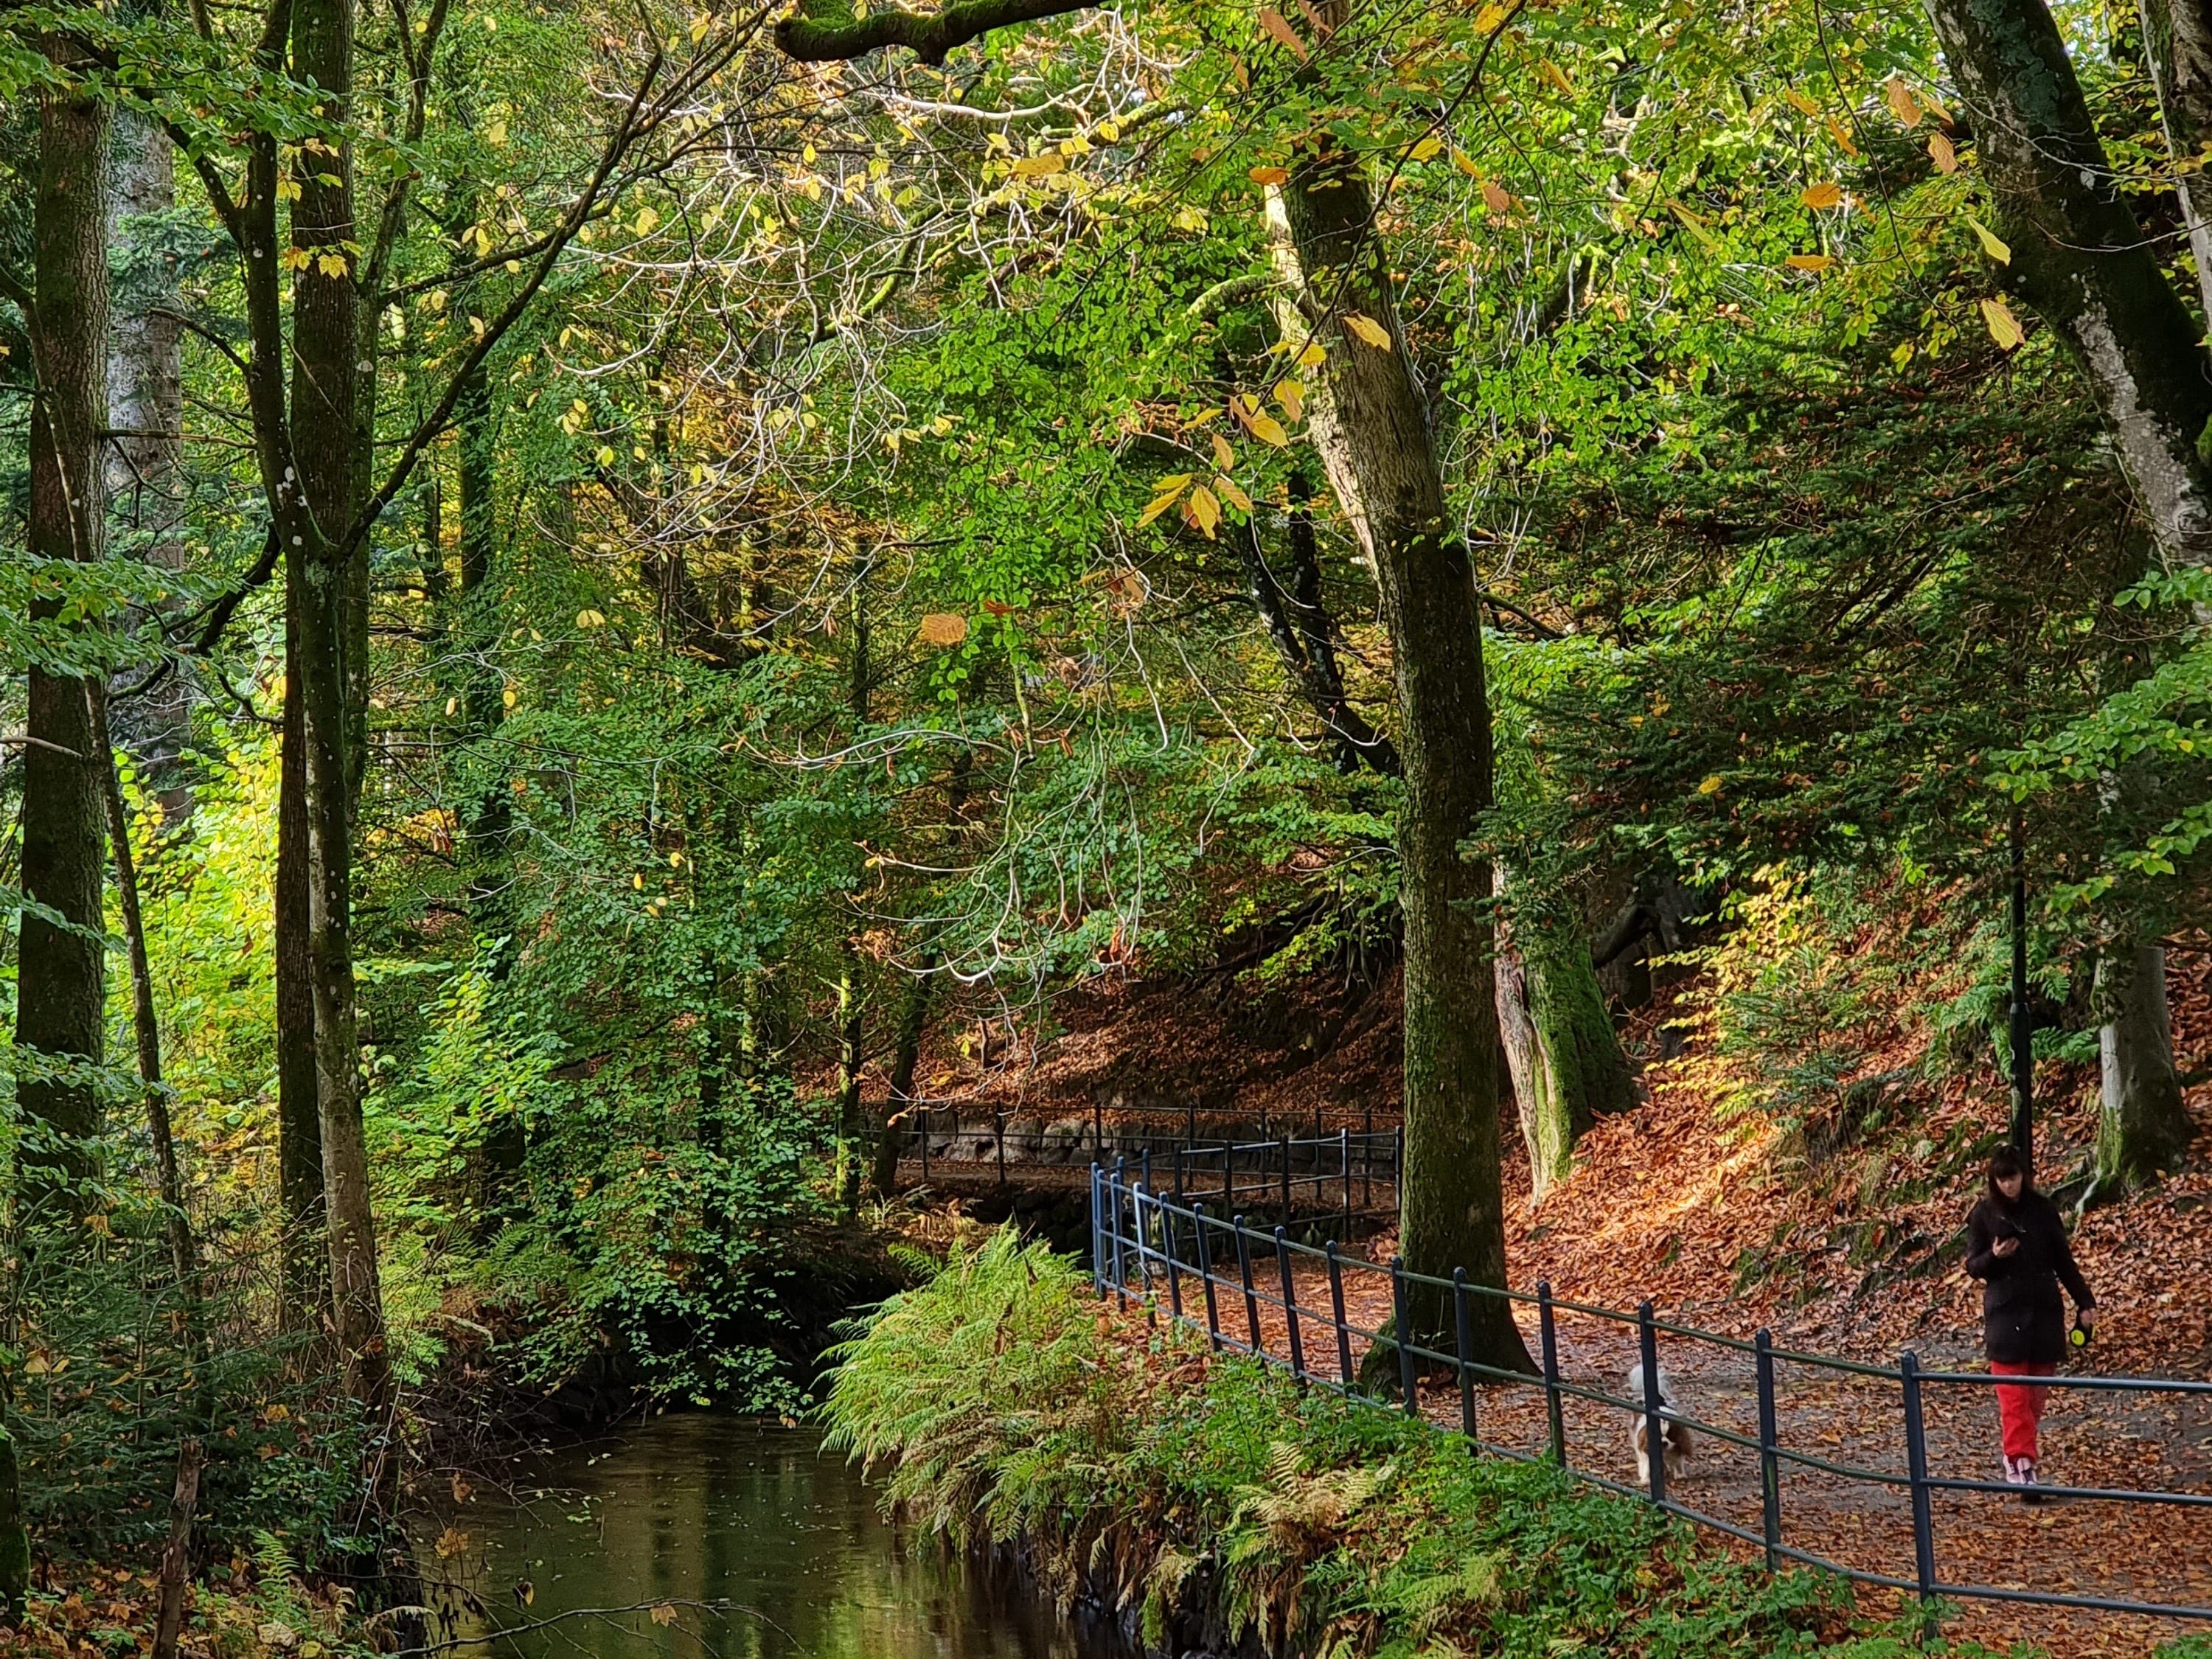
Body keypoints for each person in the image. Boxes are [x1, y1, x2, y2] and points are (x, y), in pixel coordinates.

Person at [1964, 1145, 2096, 1499]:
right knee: (2014, 1398)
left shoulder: (2042, 1210)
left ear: (2024, 1176)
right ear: (1994, 1180)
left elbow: (2063, 1261)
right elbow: (1973, 1266)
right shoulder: (1984, 1215)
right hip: (2006, 1318)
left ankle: (2022, 1457)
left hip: (2044, 1315)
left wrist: (2085, 1302)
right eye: (2003, 1179)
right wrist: (1994, 1256)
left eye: (2014, 1177)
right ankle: (2020, 1464)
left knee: (2034, 1398)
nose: (2010, 1185)